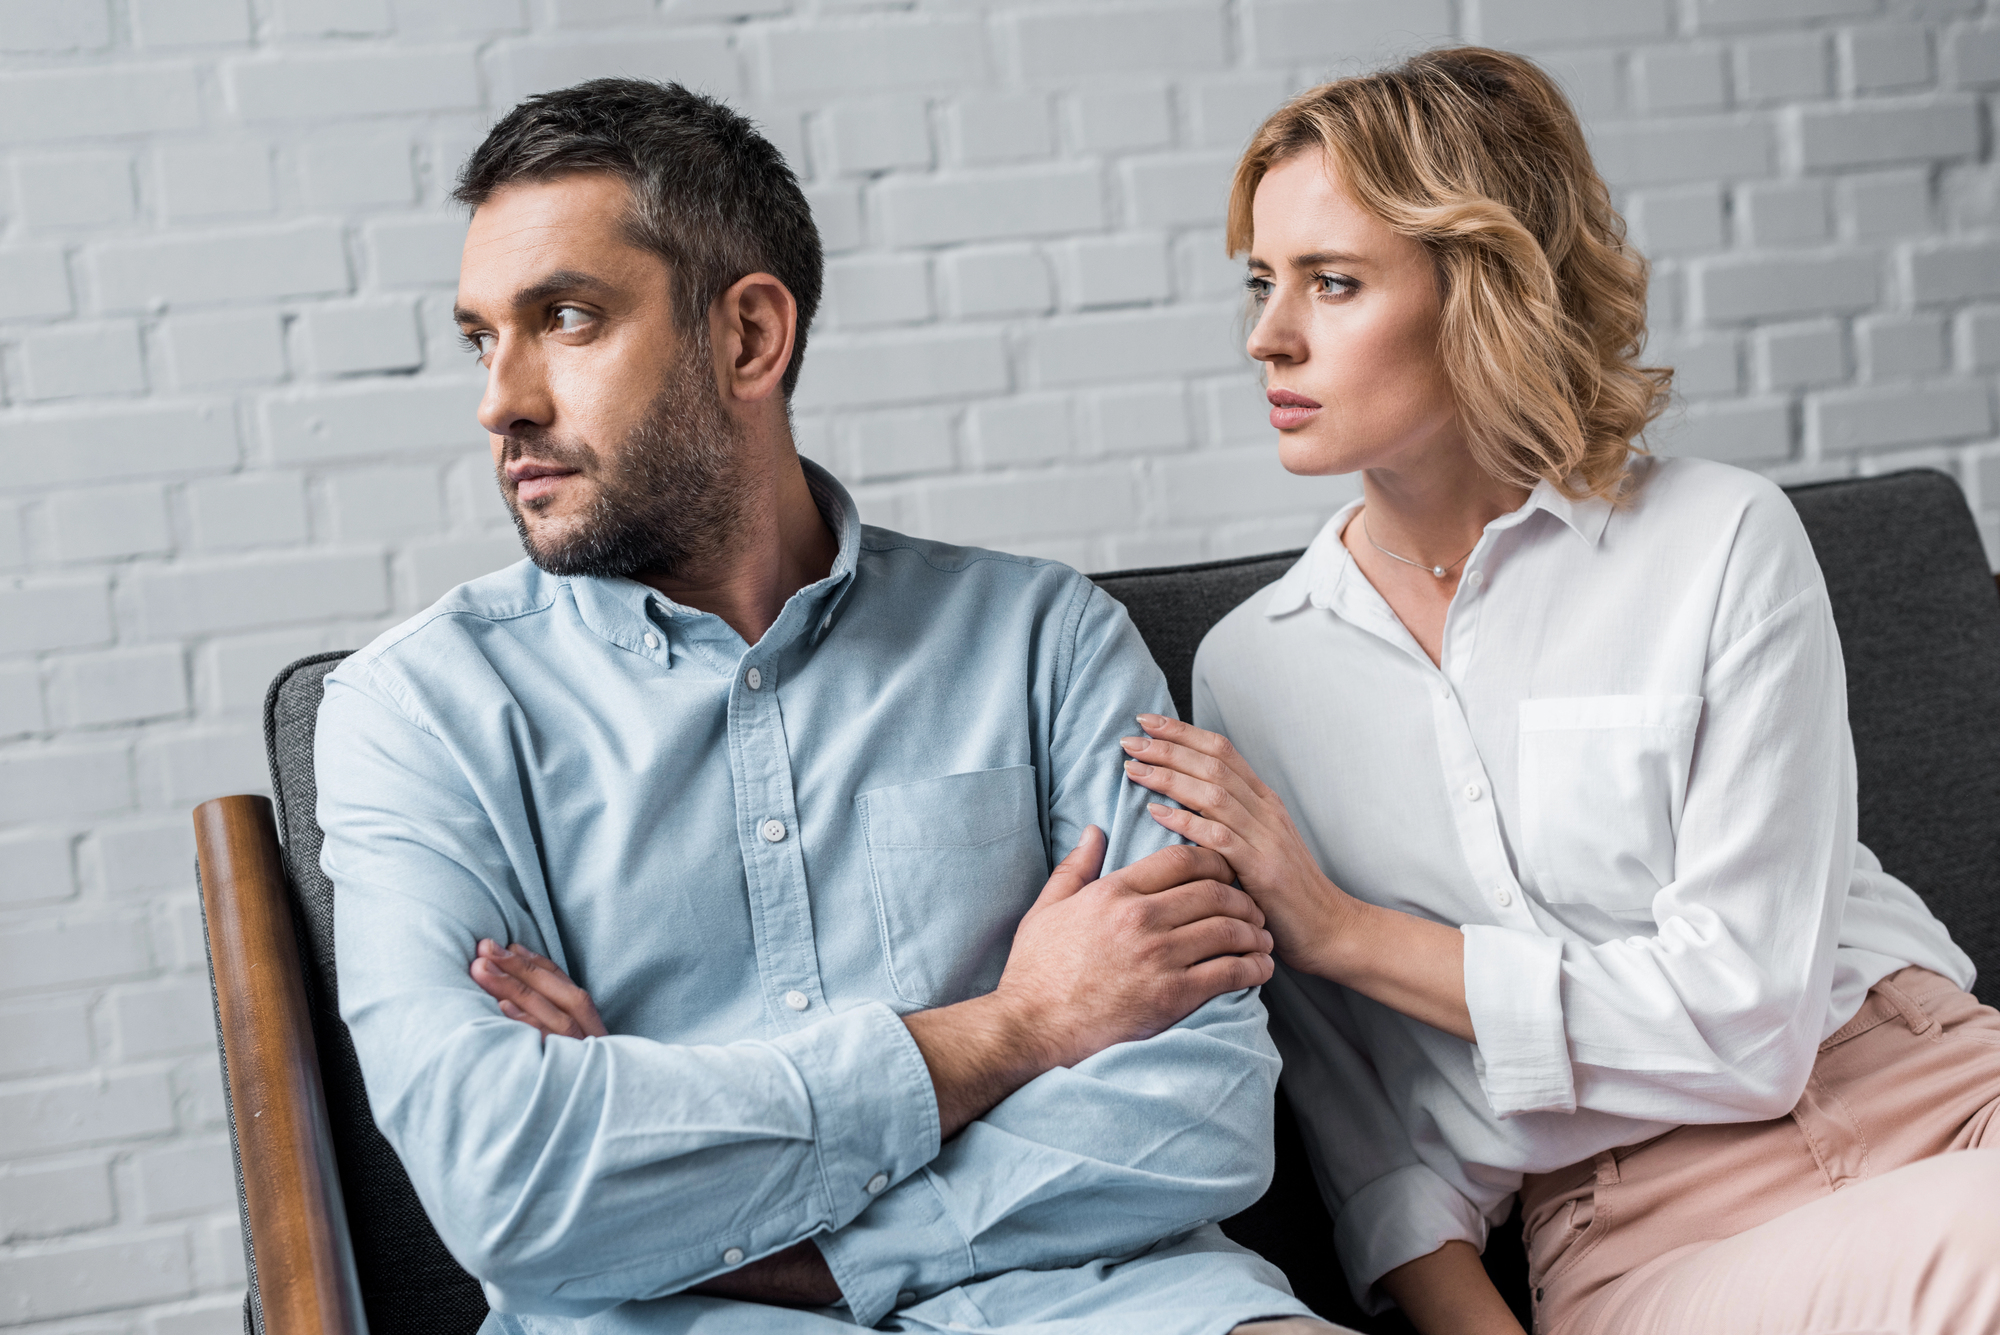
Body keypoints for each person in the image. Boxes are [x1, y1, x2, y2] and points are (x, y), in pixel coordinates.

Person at [314, 78, 1341, 1335]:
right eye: (482, 337)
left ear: (749, 336)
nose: (501, 399)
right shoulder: (412, 716)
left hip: (1107, 1300)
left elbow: (1197, 1111)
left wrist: (694, 1199)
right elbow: (513, 1185)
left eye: (566, 320)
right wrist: (1013, 1028)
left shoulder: (1039, 641)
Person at [1115, 46, 2000, 1335]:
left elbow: (1752, 1021)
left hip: (1930, 1087)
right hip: (1642, 1231)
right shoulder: (1255, 670)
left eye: (1332, 282)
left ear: (1477, 289)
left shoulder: (1722, 538)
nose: (1268, 335)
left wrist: (1348, 930)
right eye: (1261, 282)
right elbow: (1374, 1145)